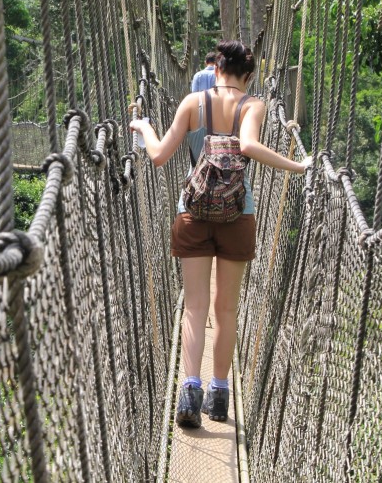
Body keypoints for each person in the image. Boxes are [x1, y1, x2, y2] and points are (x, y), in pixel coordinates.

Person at [129, 40, 310, 428]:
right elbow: (248, 145)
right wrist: (297, 167)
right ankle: (219, 394)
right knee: (225, 309)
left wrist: (144, 126)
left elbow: (158, 156)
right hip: (238, 215)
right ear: (248, 76)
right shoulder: (253, 104)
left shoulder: (193, 103)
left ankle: (189, 392)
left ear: (216, 70)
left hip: (192, 212)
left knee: (194, 307)